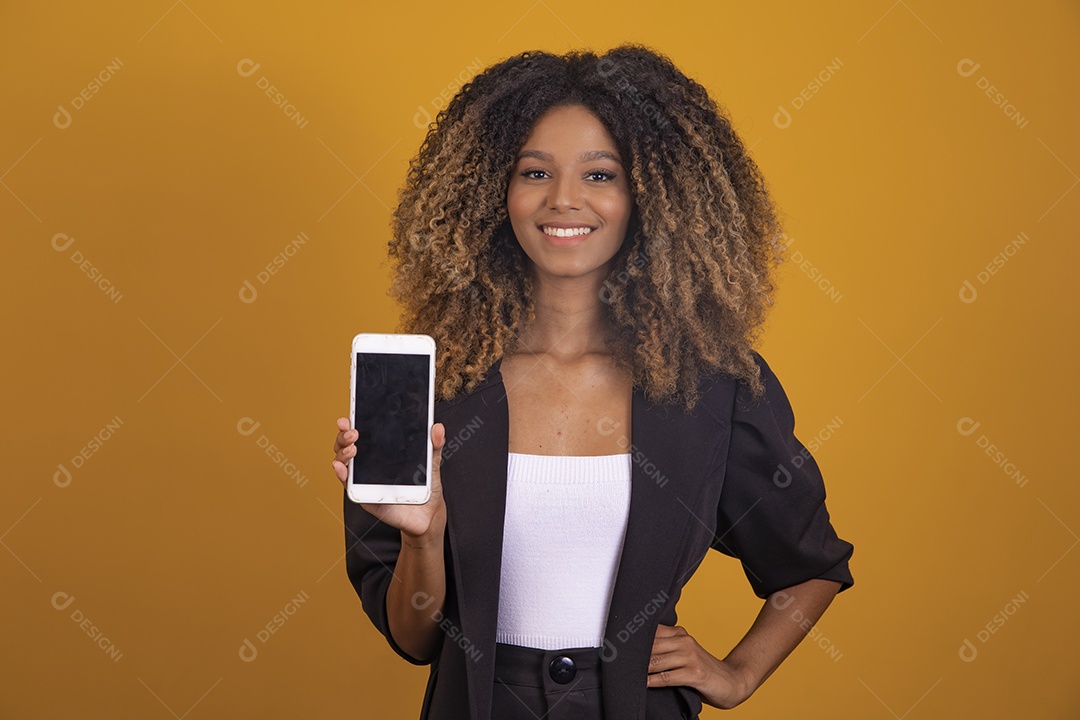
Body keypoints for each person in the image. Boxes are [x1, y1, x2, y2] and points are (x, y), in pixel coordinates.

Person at [330, 44, 854, 720]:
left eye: (601, 174)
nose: (564, 200)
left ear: (652, 195)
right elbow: (415, 637)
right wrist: (423, 535)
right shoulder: (434, 385)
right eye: (535, 171)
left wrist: (735, 676)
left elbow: (810, 565)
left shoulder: (712, 389)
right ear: (495, 190)